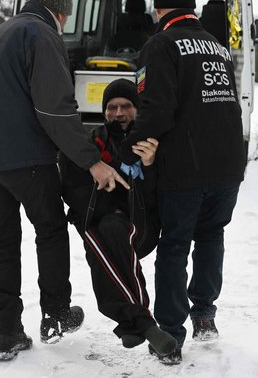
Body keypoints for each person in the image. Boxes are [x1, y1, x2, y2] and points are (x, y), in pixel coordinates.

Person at [0, 0, 128, 361]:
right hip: (23, 156)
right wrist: (92, 161)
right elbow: (55, 110)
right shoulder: (41, 34)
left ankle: (6, 333)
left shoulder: (1, 32)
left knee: (1, 241)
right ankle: (55, 314)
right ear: (62, 11)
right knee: (50, 229)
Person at [120, 0, 246, 365]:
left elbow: (156, 108)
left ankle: (171, 334)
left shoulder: (160, 44)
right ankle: (204, 315)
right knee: (211, 236)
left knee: (175, 245)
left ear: (158, 7)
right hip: (228, 164)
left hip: (185, 167)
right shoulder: (217, 45)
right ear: (192, 5)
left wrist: (126, 153)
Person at [59, 79, 177, 357]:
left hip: (142, 225)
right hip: (97, 220)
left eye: (126, 106)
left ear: (137, 109)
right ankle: (140, 324)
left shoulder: (152, 142)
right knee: (101, 238)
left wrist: (149, 167)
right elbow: (72, 186)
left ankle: (133, 322)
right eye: (112, 107)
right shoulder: (91, 142)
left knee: (105, 235)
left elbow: (159, 198)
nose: (119, 113)